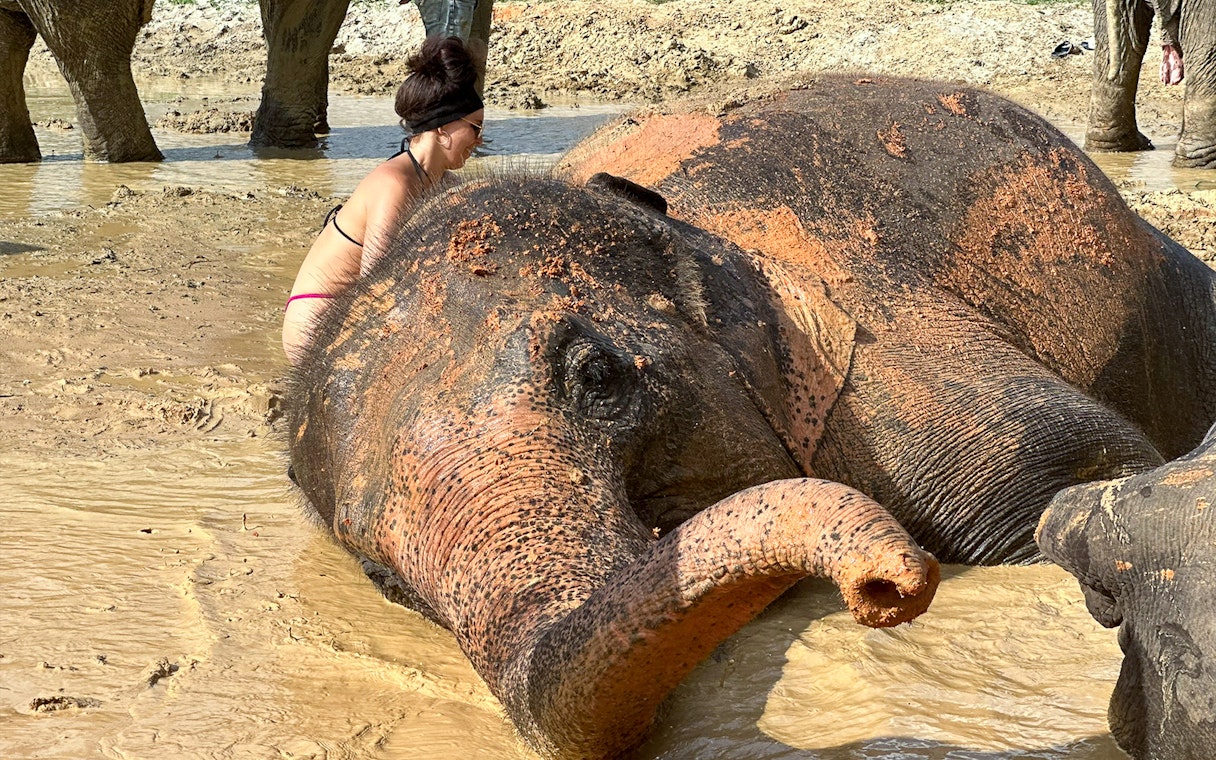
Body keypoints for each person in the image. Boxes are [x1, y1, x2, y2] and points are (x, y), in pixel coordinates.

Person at [282, 35, 485, 364]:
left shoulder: (446, 183)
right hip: (318, 319)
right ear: (443, 129)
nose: (480, 139)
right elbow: (377, 281)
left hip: (352, 316)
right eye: (475, 128)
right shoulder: (393, 182)